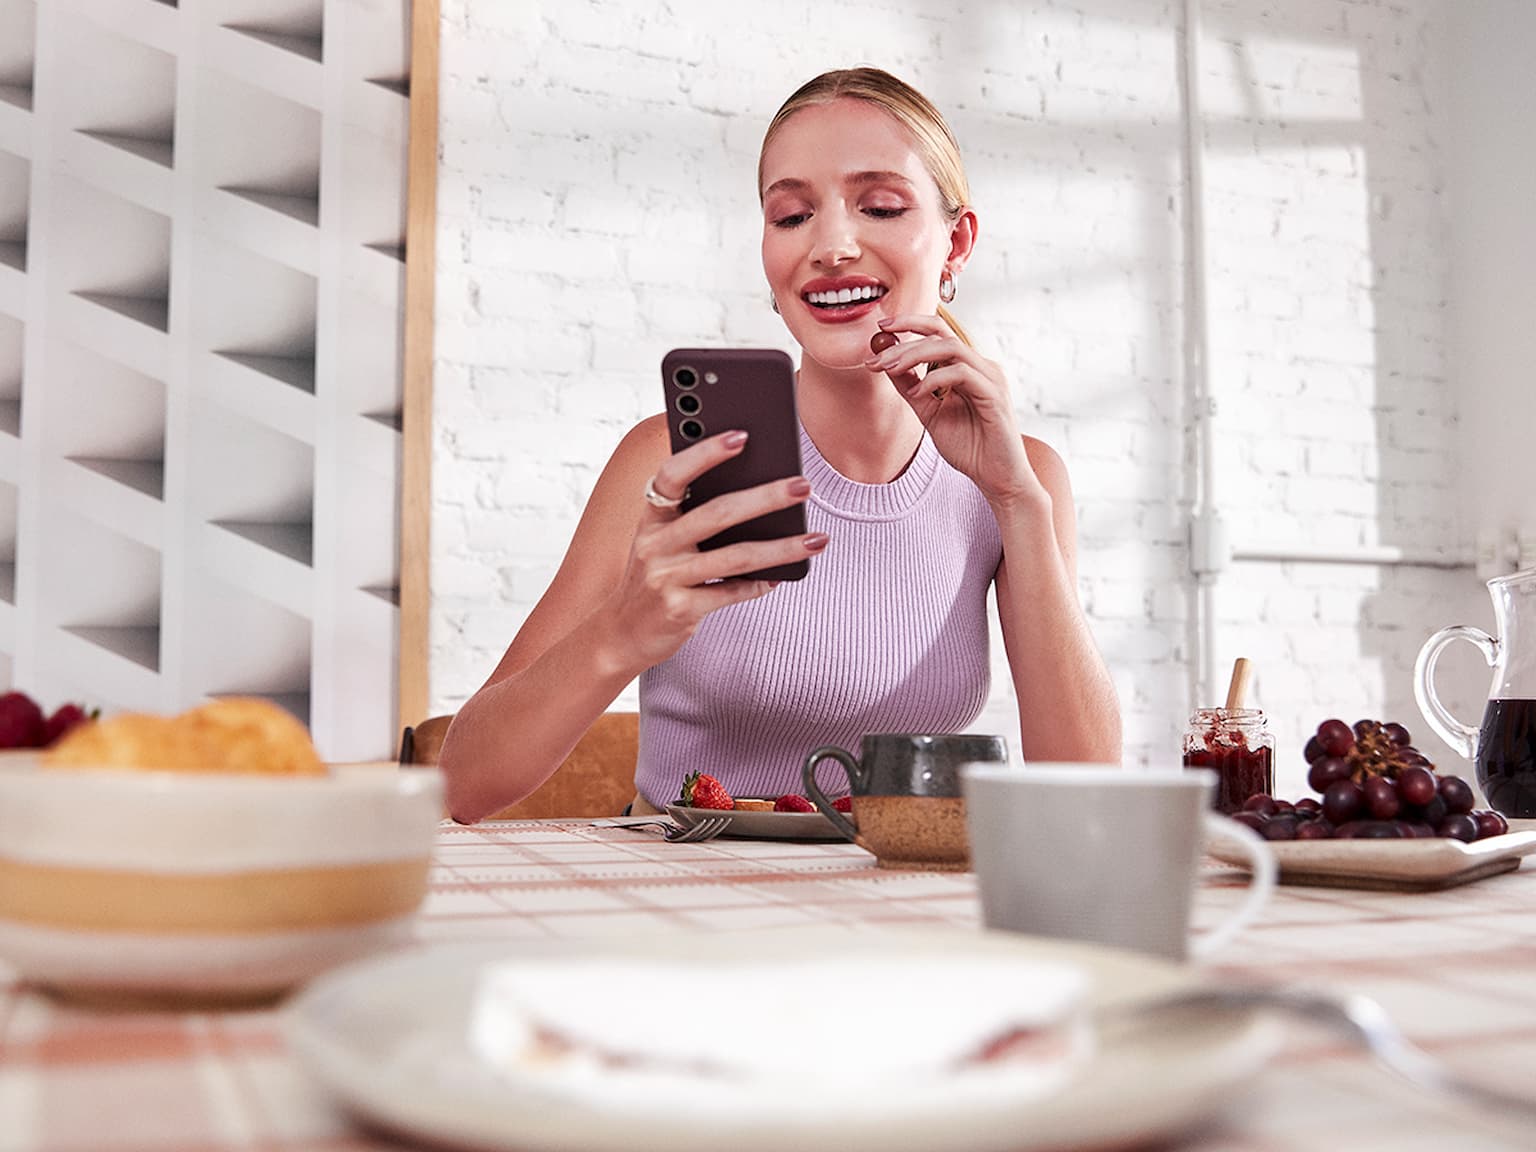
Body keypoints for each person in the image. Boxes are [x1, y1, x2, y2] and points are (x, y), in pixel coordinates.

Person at [440, 67, 1121, 823]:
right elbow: (463, 785)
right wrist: (622, 632)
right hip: (687, 886)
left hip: (899, 883)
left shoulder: (1022, 478)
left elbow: (1089, 795)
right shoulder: (672, 460)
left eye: (881, 207)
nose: (831, 246)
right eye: (792, 216)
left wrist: (1018, 502)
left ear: (956, 242)